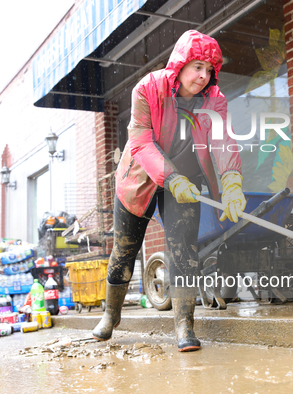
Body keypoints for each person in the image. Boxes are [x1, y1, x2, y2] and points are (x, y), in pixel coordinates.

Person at [92, 30, 246, 352]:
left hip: (187, 179)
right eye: (197, 67)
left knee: (184, 251)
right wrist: (169, 177)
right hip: (140, 177)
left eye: (209, 70)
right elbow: (141, 142)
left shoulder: (214, 99)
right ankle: (111, 314)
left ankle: (184, 326)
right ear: (180, 64)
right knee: (125, 250)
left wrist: (232, 182)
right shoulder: (147, 88)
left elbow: (222, 141)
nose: (203, 76)